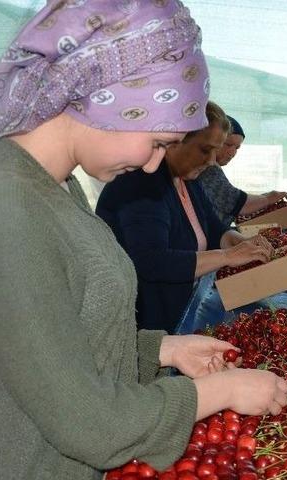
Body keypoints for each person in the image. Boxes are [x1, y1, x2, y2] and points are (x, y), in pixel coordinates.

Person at [0, 3, 287, 479]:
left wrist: (162, 350)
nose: (152, 165)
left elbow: (49, 346)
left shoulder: (55, 187)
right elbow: (86, 420)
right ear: (108, 99)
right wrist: (222, 393)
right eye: (159, 142)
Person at [96, 101, 272, 333]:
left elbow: (213, 227)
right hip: (147, 324)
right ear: (175, 140)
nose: (211, 161)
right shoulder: (142, 184)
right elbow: (151, 261)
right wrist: (227, 256)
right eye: (205, 149)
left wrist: (237, 241)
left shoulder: (186, 180)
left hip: (180, 309)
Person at [199, 116, 287, 225]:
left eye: (237, 148)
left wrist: (265, 197)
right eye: (228, 144)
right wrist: (269, 198)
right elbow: (237, 203)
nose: (232, 153)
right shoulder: (207, 169)